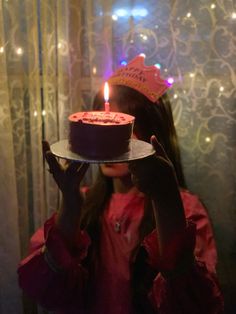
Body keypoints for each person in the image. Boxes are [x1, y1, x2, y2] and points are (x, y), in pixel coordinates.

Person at [18, 55, 224, 314]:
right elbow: (49, 289)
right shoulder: (85, 204)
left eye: (122, 124)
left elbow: (194, 303)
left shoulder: (184, 208)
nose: (107, 133)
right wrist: (70, 205)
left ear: (152, 134)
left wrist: (165, 199)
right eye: (102, 121)